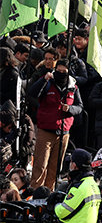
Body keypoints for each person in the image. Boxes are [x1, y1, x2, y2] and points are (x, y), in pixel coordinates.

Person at [29, 59, 83, 190]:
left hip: (64, 132)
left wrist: (69, 109)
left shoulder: (73, 86)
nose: (60, 73)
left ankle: (49, 192)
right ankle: (36, 191)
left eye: (63, 71)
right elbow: (32, 93)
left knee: (55, 167)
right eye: (58, 71)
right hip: (46, 130)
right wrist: (44, 80)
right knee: (40, 165)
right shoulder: (47, 82)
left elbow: (80, 106)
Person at [51, 149, 101, 223]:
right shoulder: (93, 185)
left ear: (75, 165)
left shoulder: (80, 187)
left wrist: (56, 204)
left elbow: (62, 212)